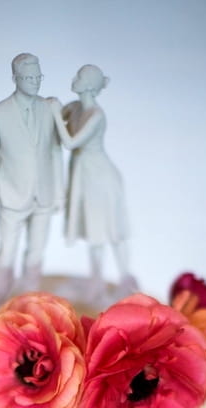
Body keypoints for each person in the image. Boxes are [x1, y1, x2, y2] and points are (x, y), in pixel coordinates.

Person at [0, 53, 63, 303]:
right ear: (15, 78)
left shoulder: (49, 108)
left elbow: (55, 151)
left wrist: (59, 192)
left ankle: (30, 300)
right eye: (28, 77)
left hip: (44, 194)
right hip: (13, 196)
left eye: (38, 76)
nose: (35, 82)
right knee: (7, 251)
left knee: (37, 251)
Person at [50, 65, 138, 301]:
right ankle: (96, 278)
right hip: (85, 174)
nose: (74, 78)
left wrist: (57, 114)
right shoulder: (76, 107)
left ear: (89, 85)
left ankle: (125, 277)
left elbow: (70, 141)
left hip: (100, 176)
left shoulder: (96, 115)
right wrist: (56, 112)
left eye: (78, 76)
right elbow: (58, 120)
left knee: (111, 229)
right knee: (93, 228)